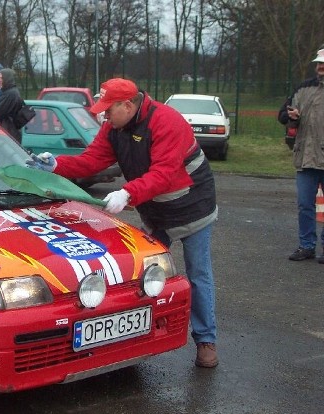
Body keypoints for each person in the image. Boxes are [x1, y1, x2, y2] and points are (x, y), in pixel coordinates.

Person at [27, 78, 219, 368]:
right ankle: (133, 336)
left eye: (108, 109)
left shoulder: (168, 122)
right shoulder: (114, 127)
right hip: (155, 210)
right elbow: (92, 161)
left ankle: (206, 341)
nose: (103, 116)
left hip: (193, 205)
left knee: (198, 274)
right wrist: (57, 164)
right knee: (140, 271)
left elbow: (164, 173)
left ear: (127, 105)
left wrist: (128, 193)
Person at [277, 48, 324, 263]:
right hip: (305, 159)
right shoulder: (304, 88)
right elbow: (283, 114)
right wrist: (290, 116)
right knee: (305, 205)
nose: (321, 67)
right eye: (319, 63)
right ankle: (306, 246)